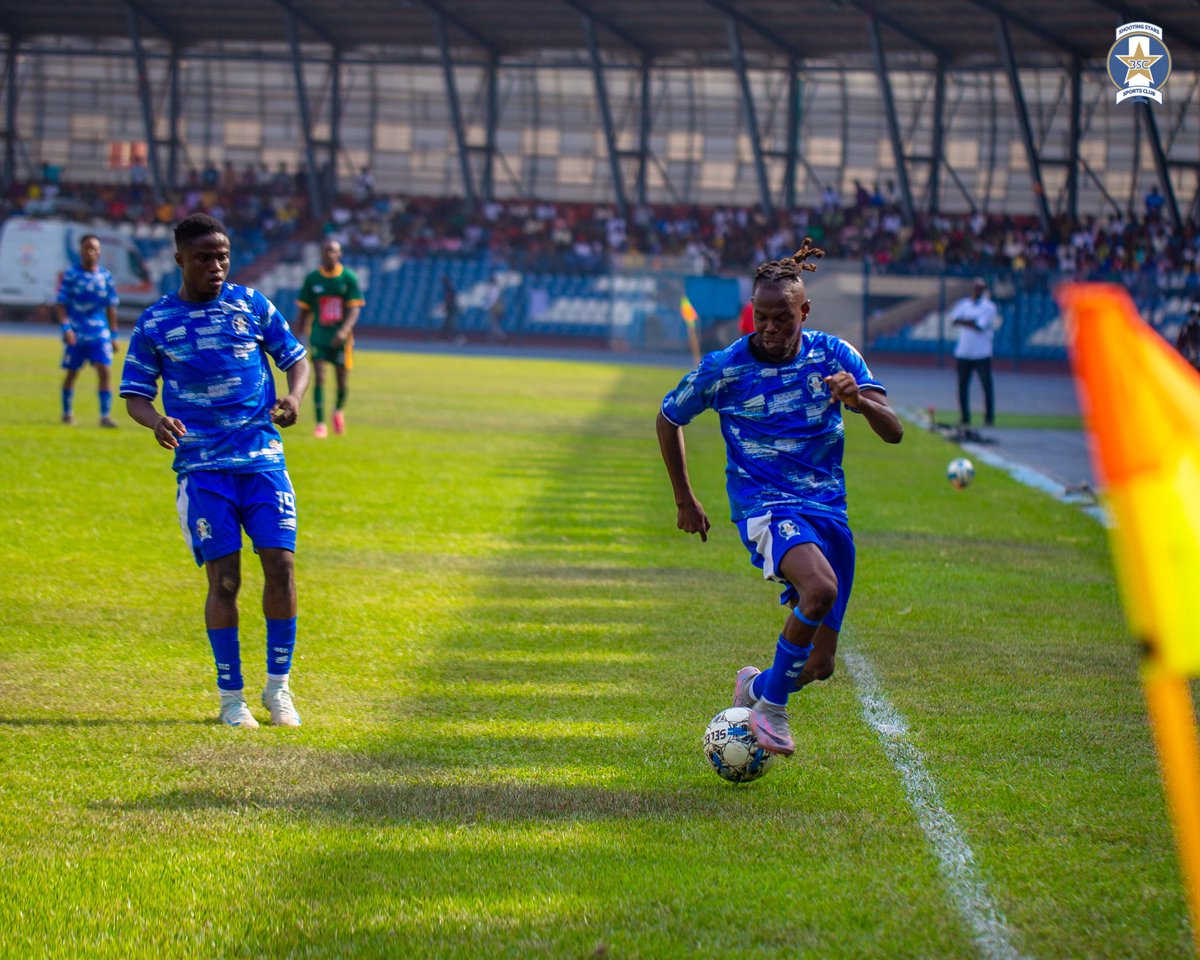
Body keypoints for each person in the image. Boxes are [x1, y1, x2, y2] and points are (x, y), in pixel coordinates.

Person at [656, 238, 903, 756]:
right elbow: (668, 417)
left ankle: (755, 688)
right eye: (761, 317)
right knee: (820, 588)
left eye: (782, 318)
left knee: (820, 665)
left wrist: (858, 402)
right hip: (765, 504)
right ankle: (771, 710)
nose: (769, 328)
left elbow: (894, 431)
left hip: (828, 509)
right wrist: (684, 499)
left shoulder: (835, 355)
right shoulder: (725, 368)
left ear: (804, 312)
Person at [119, 213, 311, 729]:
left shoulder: (252, 305)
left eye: (222, 256)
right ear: (180, 259)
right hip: (203, 469)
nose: (216, 266)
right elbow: (135, 395)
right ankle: (232, 698)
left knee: (282, 566)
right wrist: (156, 421)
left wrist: (294, 397)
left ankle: (279, 689)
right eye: (204, 258)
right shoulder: (156, 322)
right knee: (225, 581)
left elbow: (296, 359)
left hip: (262, 462)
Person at [295, 238, 365, 438]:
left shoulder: (348, 278)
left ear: (339, 254)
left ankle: (338, 411)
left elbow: (354, 309)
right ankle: (320, 424)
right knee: (319, 376)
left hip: (341, 338)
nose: (330, 254)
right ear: (321, 253)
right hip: (318, 335)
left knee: (342, 381)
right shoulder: (313, 279)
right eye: (326, 250)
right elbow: (304, 310)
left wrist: (343, 331)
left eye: (333, 251)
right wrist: (295, 336)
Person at [56, 233, 120, 427]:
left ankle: (105, 416)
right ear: (81, 250)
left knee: (105, 371)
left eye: (95, 248)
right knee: (72, 373)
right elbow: (61, 303)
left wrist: (114, 335)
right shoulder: (72, 274)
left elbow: (111, 307)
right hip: (77, 333)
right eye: (88, 248)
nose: (91, 252)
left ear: (99, 252)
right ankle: (67, 413)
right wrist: (66, 328)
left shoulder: (105, 276)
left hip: (99, 333)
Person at [948, 277, 998, 429]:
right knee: (962, 386)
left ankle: (989, 417)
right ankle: (965, 417)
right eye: (975, 287)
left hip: (982, 352)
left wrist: (964, 321)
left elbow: (979, 326)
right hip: (964, 351)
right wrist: (969, 321)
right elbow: (953, 319)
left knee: (986, 385)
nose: (977, 290)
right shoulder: (964, 303)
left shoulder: (989, 307)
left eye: (980, 288)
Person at [1176, 300, 1200, 373]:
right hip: (1188, 365)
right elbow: (1179, 347)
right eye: (1193, 314)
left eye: (1198, 315)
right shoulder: (1186, 329)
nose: (1195, 318)